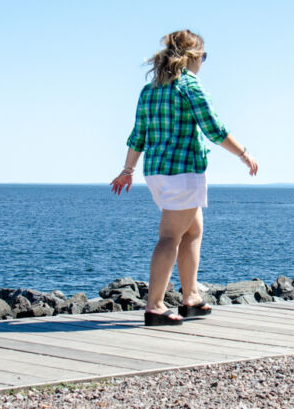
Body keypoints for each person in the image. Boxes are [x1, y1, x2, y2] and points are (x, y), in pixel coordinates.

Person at [110, 30, 258, 326]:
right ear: (193, 57)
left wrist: (128, 170)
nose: (204, 62)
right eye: (204, 56)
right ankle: (155, 306)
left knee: (192, 230)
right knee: (169, 237)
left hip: (157, 173)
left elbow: (138, 135)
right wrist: (244, 154)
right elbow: (214, 128)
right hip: (183, 171)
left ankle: (190, 297)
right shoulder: (189, 85)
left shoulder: (150, 89)